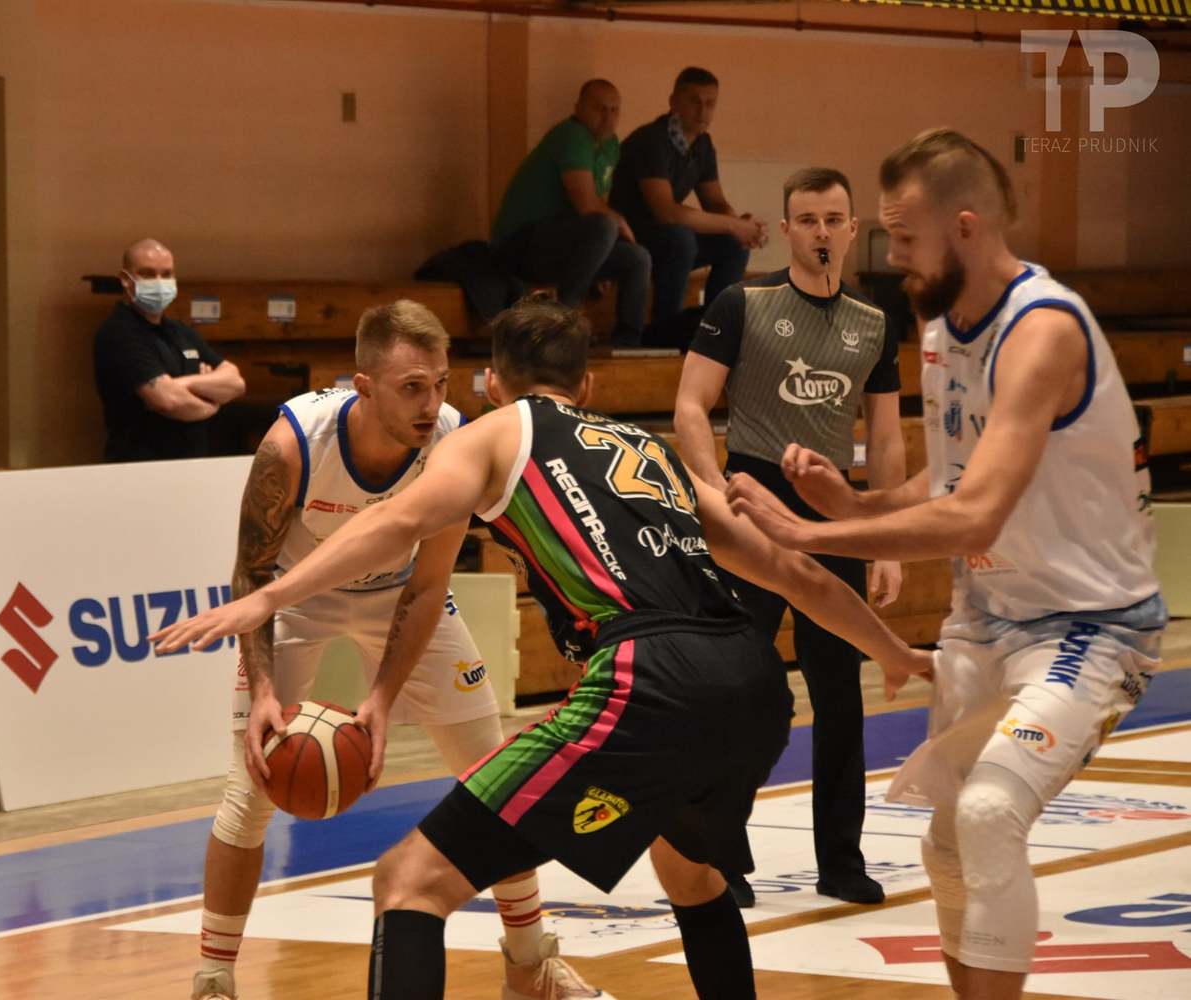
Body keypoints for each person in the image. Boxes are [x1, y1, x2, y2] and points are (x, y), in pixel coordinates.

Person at [155, 298, 932, 1000]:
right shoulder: (651, 448)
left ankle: (528, 962)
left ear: (491, 384)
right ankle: (517, 967)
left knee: (407, 882)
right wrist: (895, 651)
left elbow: (397, 524)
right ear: (587, 385)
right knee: (692, 874)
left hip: (646, 676)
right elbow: (796, 573)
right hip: (752, 680)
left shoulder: (489, 434)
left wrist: (268, 599)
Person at [723, 129, 1164, 1000]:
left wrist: (804, 535)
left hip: (1088, 626)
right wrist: (856, 507)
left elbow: (974, 513)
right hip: (984, 617)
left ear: (965, 227)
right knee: (949, 840)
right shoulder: (940, 329)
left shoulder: (1042, 330)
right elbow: (953, 474)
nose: (892, 259)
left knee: (992, 812)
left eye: (904, 239)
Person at [158, 300, 604, 1000]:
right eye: (411, 387)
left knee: (496, 775)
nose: (431, 403)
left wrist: (381, 701)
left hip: (400, 597)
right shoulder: (292, 445)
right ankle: (214, 978)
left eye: (439, 383)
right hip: (294, 599)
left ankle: (531, 963)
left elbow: (428, 586)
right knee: (249, 792)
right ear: (363, 387)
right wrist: (264, 691)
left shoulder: (454, 438)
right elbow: (253, 575)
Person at [673, 166, 906, 908]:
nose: (821, 233)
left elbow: (887, 437)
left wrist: (884, 539)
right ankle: (722, 858)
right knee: (741, 689)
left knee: (841, 694)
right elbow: (690, 405)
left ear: (852, 226)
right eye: (807, 220)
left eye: (833, 219)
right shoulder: (743, 303)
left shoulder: (875, 320)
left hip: (832, 512)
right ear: (786, 228)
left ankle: (841, 860)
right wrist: (713, 492)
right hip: (751, 501)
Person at [610, 67, 768, 349]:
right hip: (632, 237)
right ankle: (664, 335)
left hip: (669, 238)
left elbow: (715, 202)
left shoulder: (703, 144)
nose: (702, 111)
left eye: (710, 103)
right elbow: (667, 212)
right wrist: (733, 225)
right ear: (673, 102)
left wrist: (742, 226)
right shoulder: (651, 140)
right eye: (694, 101)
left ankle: (717, 331)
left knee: (733, 244)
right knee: (680, 238)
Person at [491, 80, 651, 346]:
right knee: (606, 226)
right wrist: (620, 224)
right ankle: (565, 321)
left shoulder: (610, 145)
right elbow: (587, 204)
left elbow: (599, 201)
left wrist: (599, 255)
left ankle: (628, 342)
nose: (607, 117)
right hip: (520, 245)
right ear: (578, 108)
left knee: (638, 257)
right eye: (599, 108)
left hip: (564, 244)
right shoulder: (571, 135)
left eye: (614, 110)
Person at [92, 238, 245, 462]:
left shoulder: (180, 331)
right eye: (148, 274)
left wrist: (183, 384)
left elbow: (236, 382)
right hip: (140, 467)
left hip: (192, 463)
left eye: (166, 274)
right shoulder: (119, 332)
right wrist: (213, 401)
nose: (159, 282)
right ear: (125, 279)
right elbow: (168, 401)